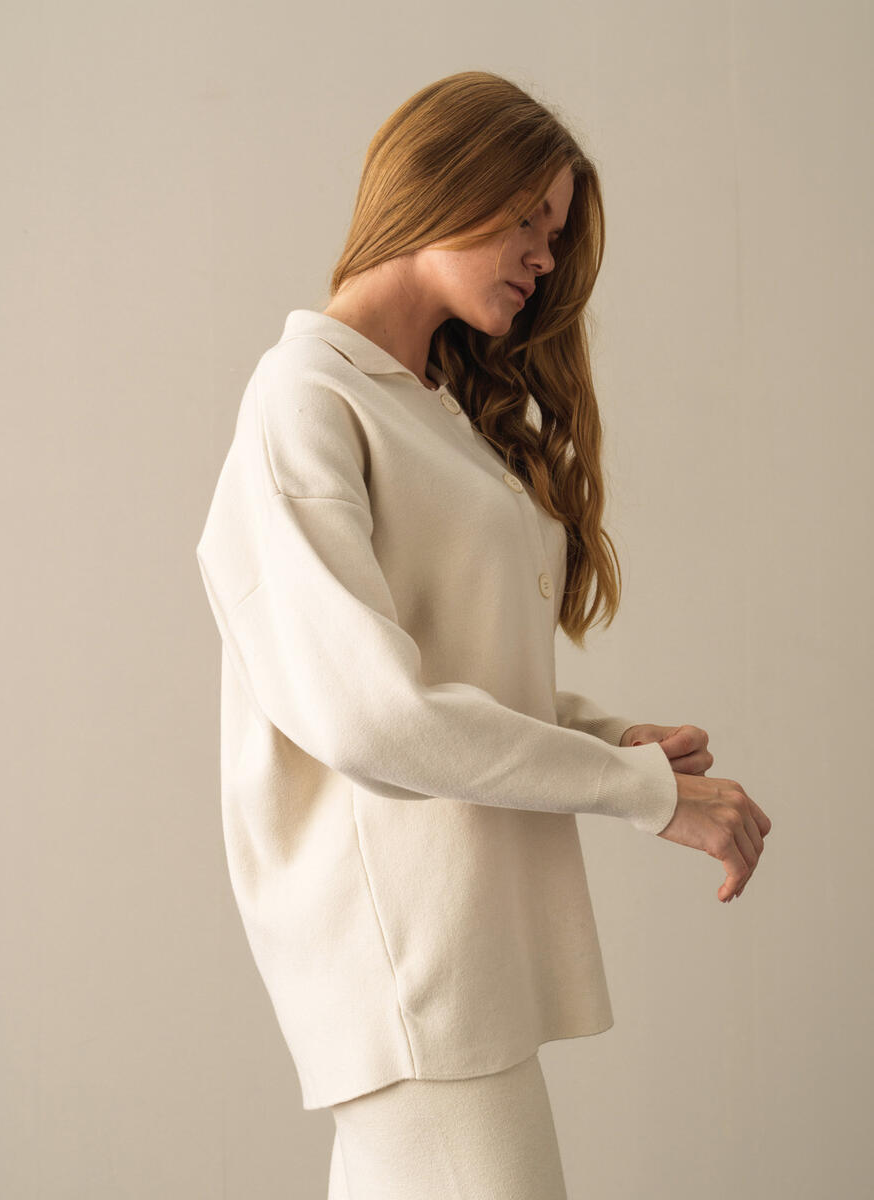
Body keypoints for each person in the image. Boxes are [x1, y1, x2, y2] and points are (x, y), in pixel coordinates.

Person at [195, 70, 772, 1199]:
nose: (546, 259)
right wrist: (644, 795)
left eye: (554, 234)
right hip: (406, 961)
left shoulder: (427, 405)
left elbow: (444, 666)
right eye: (528, 222)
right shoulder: (305, 396)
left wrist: (608, 740)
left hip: (452, 956)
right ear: (443, 186)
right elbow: (373, 717)